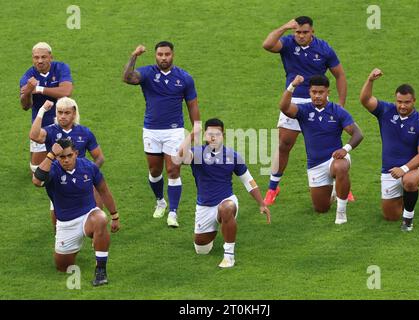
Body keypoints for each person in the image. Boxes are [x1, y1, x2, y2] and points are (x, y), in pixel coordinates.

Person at [262, 16, 352, 205]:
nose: (301, 36)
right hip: (294, 100)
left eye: (305, 32)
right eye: (298, 32)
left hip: (319, 100)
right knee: (284, 145)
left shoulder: (324, 48)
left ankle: (342, 187)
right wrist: (285, 26)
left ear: (313, 32)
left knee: (331, 146)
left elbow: (340, 75)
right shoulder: (287, 42)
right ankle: (273, 187)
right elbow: (267, 44)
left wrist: (341, 106)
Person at [122, 41, 200, 228]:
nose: (163, 58)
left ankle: (173, 212)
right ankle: (160, 201)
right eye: (160, 55)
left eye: (167, 54)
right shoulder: (148, 73)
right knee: (155, 171)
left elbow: (192, 104)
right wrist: (134, 55)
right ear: (155, 55)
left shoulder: (184, 78)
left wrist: (197, 126)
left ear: (173, 55)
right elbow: (127, 77)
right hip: (151, 130)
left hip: (174, 131)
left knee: (173, 170)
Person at [177, 118, 271, 268]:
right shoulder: (196, 153)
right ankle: (218, 227)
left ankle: (229, 256)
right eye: (210, 134)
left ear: (223, 135)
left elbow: (248, 181)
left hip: (226, 200)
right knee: (202, 249)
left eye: (217, 134)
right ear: (205, 136)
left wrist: (261, 203)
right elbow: (180, 157)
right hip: (205, 207)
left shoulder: (233, 156)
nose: (213, 137)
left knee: (226, 208)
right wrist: (191, 135)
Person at [32, 138, 120, 286]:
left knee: (100, 219)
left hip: (88, 216)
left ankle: (101, 271)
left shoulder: (89, 167)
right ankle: (87, 242)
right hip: (66, 224)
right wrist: (51, 154)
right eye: (62, 157)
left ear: (76, 154)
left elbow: (104, 191)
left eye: (69, 156)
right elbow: (37, 181)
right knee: (63, 267)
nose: (66, 160)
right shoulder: (53, 168)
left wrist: (115, 215)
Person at [280, 75, 363, 224]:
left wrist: (345, 149)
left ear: (328, 92)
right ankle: (333, 191)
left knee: (341, 166)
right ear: (309, 92)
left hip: (335, 158)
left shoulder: (337, 111)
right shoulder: (304, 110)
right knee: (321, 208)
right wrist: (292, 85)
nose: (317, 96)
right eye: (314, 92)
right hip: (315, 165)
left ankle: (341, 212)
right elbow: (284, 107)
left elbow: (358, 133)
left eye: (321, 92)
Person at [359, 68, 419, 231]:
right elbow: (365, 100)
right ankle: (405, 196)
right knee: (390, 216)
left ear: (414, 101)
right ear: (395, 100)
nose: (402, 105)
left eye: (407, 102)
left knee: (410, 181)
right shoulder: (385, 111)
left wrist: (404, 169)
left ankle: (408, 218)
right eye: (399, 101)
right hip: (389, 171)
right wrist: (370, 80)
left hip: (412, 167)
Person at [29, 97, 105, 229]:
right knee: (58, 215)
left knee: (96, 206)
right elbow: (34, 135)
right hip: (58, 178)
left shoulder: (85, 132)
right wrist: (41, 110)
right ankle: (59, 234)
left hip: (81, 176)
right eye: (59, 112)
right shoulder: (51, 131)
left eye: (66, 113)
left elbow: (99, 157)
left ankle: (96, 235)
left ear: (74, 113)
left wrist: (90, 172)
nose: (62, 116)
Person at [20, 42, 73, 173]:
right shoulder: (27, 77)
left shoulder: (61, 67)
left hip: (62, 122)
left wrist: (39, 89)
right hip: (41, 124)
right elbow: (25, 106)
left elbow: (66, 91)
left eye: (43, 57)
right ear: (32, 58)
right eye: (36, 57)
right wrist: (28, 91)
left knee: (66, 161)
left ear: (51, 57)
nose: (40, 61)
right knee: (36, 170)